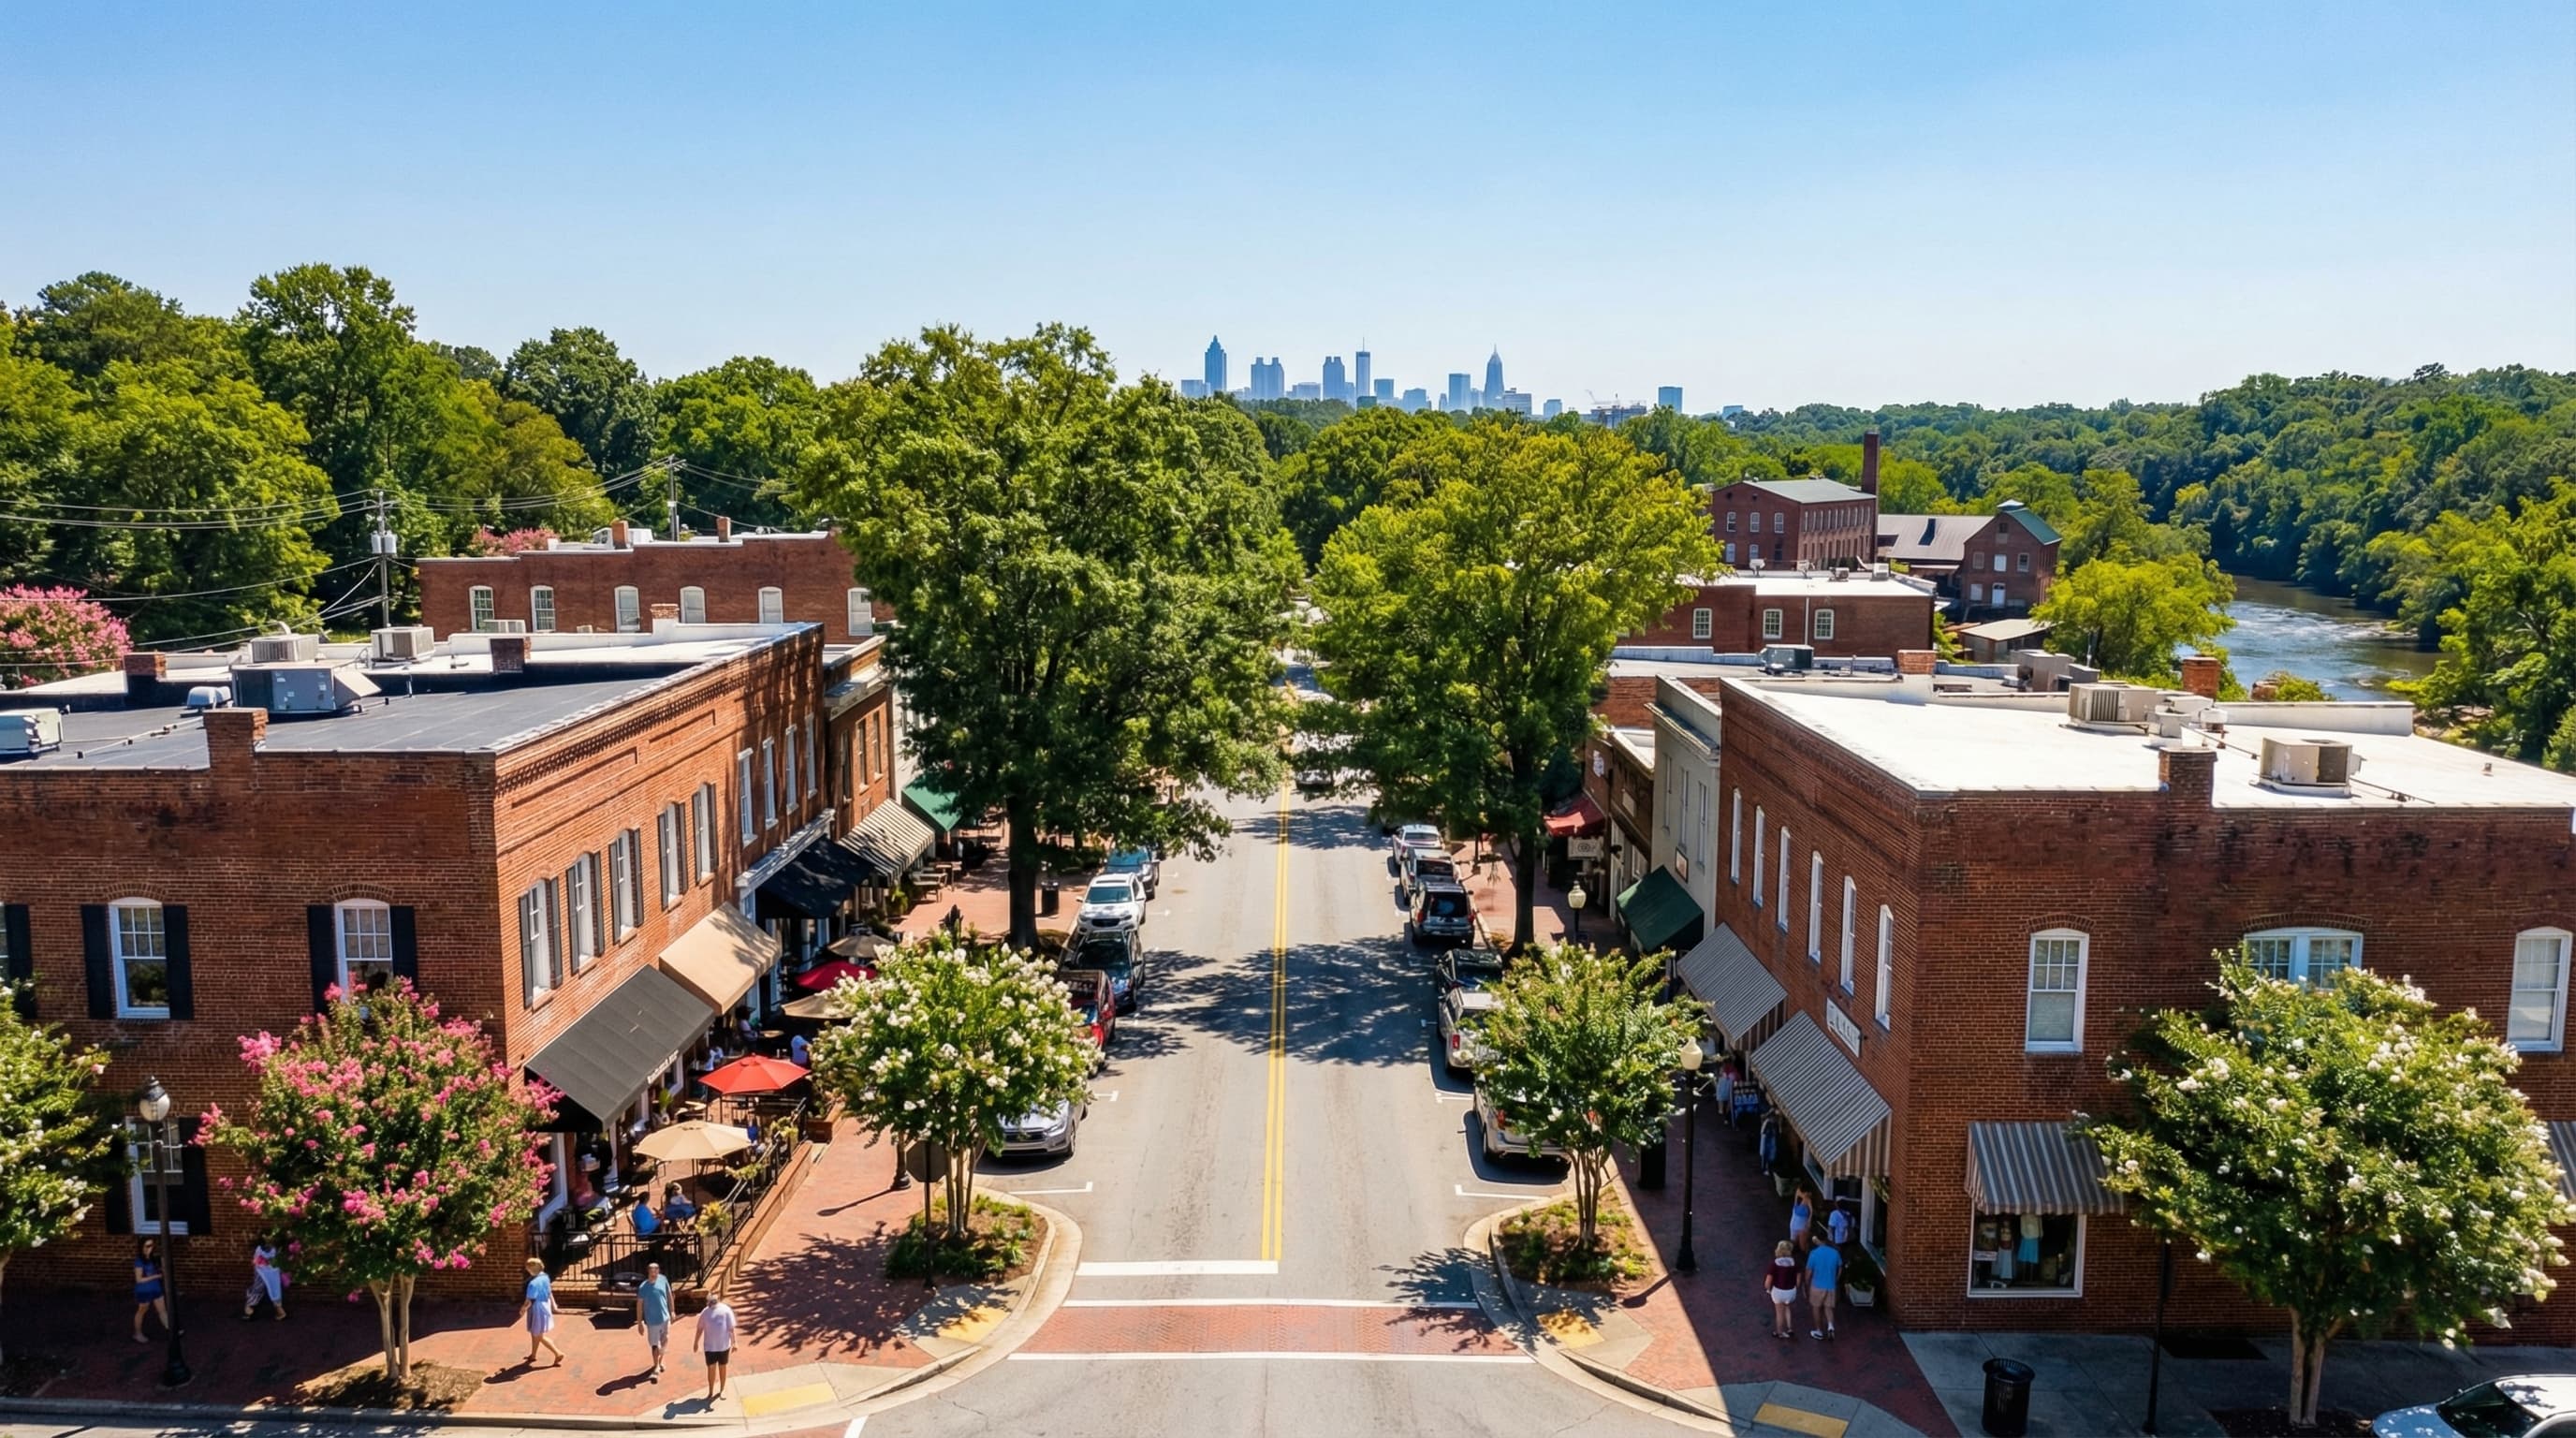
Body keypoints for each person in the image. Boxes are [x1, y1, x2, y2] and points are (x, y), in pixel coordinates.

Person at [520, 1257, 564, 1367]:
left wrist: (523, 1309)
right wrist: (554, 1305)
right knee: (535, 1333)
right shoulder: (545, 1277)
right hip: (545, 1305)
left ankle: (557, 1353)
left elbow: (529, 1300)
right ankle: (533, 1354)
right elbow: (549, 1292)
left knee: (538, 1335)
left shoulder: (533, 1284)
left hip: (537, 1309)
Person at [695, 1294, 737, 1402]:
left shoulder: (726, 1310)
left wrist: (734, 1343)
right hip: (710, 1347)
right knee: (711, 1368)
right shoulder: (705, 1312)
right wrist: (696, 1342)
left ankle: (722, 1389)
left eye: (712, 1302)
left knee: (723, 1367)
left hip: (723, 1346)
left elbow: (731, 1328)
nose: (710, 1304)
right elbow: (700, 1329)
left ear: (717, 1301)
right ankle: (711, 1391)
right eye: (709, 1302)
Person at [637, 1261, 674, 1379]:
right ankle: (656, 1366)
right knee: (654, 1345)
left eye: (656, 1270)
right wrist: (640, 1323)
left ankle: (661, 1360)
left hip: (665, 1318)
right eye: (652, 1271)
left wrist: (672, 1310)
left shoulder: (663, 1280)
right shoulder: (643, 1287)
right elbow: (639, 1305)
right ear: (648, 1272)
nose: (654, 1273)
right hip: (652, 1321)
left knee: (664, 1341)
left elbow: (669, 1295)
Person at [132, 1237, 171, 1343]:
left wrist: (162, 1266)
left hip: (156, 1288)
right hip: (144, 1290)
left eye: (152, 1245)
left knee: (162, 1310)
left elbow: (163, 1270)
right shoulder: (139, 1261)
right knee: (142, 1311)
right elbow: (139, 1279)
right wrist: (156, 1276)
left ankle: (172, 1331)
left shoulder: (154, 1259)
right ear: (142, 1247)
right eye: (147, 1246)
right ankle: (137, 1333)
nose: (150, 1248)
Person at [1805, 1232, 1842, 1340]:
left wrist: (1806, 1283)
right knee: (1828, 1308)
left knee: (1816, 1308)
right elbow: (1840, 1267)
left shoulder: (1814, 1253)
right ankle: (1830, 1326)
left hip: (1817, 1285)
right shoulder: (1835, 1253)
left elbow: (1808, 1272)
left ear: (1817, 1240)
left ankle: (1819, 1331)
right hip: (1831, 1286)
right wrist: (1836, 1279)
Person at [241, 1237, 287, 1320]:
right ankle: (249, 1309)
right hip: (264, 1271)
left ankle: (249, 1310)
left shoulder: (272, 1249)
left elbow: (257, 1261)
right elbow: (257, 1260)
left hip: (268, 1271)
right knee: (270, 1289)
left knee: (270, 1289)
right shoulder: (264, 1249)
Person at [1764, 1240, 1801, 1341]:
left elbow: (1767, 1282)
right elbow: (1798, 1280)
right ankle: (1790, 1328)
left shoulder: (1775, 1264)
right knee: (1787, 1306)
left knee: (1779, 1312)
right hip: (1791, 1291)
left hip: (1778, 1291)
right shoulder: (1794, 1263)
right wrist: (1795, 1289)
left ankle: (1780, 1332)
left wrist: (1769, 1290)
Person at [1789, 1185, 1815, 1250]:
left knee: (1801, 1246)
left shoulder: (1805, 1198)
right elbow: (1811, 1211)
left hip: (1799, 1225)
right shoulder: (1806, 1198)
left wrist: (1809, 1221)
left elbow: (1811, 1211)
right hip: (1796, 1224)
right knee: (1797, 1244)